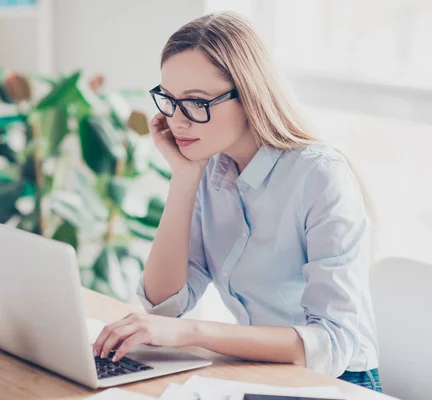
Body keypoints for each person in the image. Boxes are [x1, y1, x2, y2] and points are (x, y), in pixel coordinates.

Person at [92, 12, 383, 393]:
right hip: (260, 374)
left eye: (196, 102)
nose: (177, 122)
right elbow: (164, 306)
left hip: (336, 383)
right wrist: (183, 178)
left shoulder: (319, 176)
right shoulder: (208, 166)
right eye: (170, 100)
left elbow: (333, 343)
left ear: (249, 96)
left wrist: (190, 332)